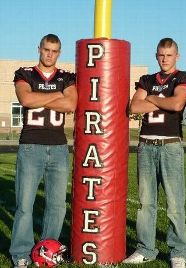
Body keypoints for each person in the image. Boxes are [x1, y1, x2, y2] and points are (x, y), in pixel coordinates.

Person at [123, 38, 186, 268]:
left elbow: (177, 104)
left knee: (174, 203)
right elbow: (134, 107)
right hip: (145, 145)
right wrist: (162, 99)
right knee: (145, 202)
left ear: (177, 56)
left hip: (170, 146)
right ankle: (146, 248)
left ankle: (178, 252)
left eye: (169, 55)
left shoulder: (183, 77)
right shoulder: (146, 79)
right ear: (156, 55)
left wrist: (151, 98)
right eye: (161, 55)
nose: (165, 59)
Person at [9, 34, 77, 268]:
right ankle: (20, 253)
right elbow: (26, 100)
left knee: (57, 205)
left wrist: (42, 98)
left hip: (58, 147)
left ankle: (49, 250)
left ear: (59, 52)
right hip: (31, 145)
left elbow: (71, 105)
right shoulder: (24, 73)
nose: (50, 54)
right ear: (39, 48)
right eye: (46, 49)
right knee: (25, 205)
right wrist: (58, 94)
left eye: (55, 51)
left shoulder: (67, 77)